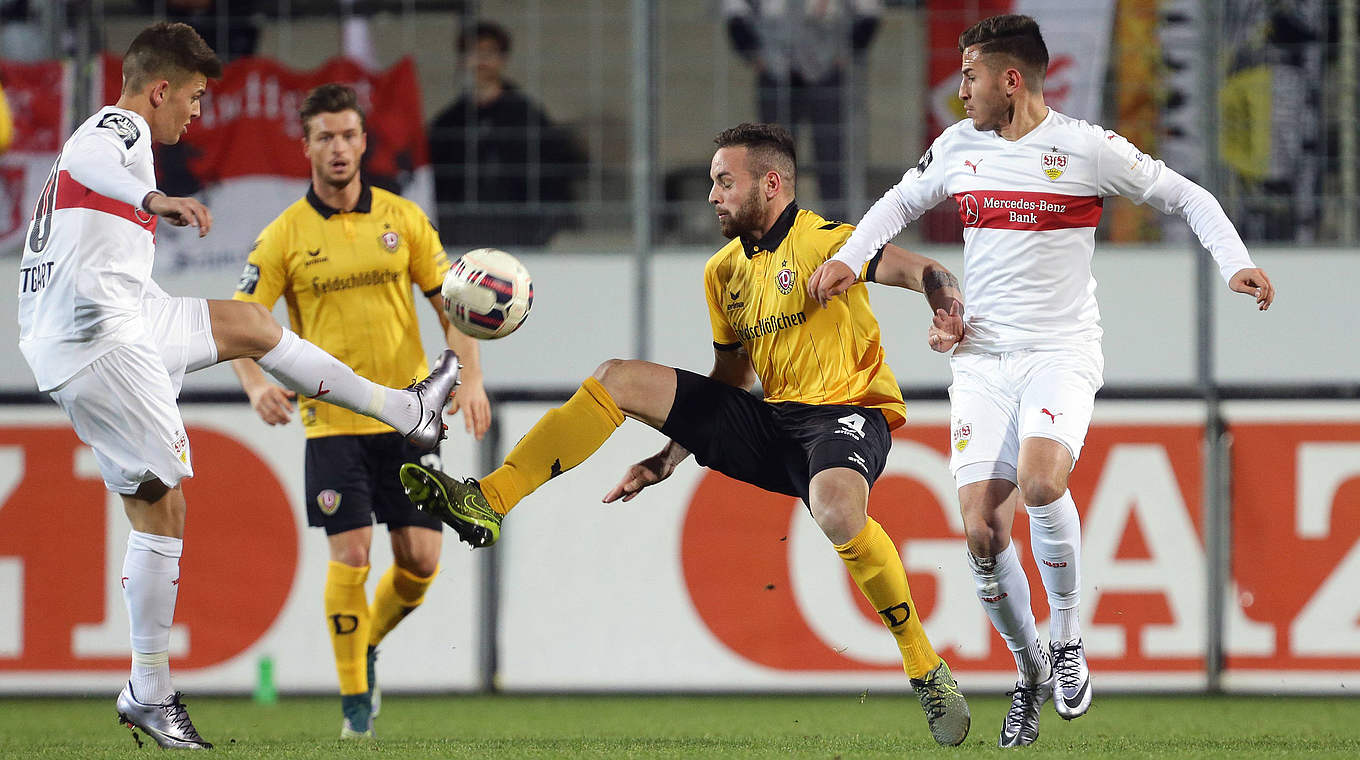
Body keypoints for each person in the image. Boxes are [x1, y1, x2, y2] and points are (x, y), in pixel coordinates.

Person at [402, 122, 973, 747]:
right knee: (616, 377)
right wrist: (672, 454)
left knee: (838, 510)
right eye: (711, 183)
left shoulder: (831, 242)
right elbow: (732, 375)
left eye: (726, 182)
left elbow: (924, 269)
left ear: (772, 184)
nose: (712, 196)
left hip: (845, 414)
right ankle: (490, 500)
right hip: (770, 420)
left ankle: (924, 665)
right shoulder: (723, 272)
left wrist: (946, 310)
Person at [807, 14, 1276, 748]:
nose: (958, 90)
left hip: (1060, 350)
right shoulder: (959, 147)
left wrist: (1234, 261)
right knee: (982, 533)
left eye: (969, 76)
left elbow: (1186, 195)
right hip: (983, 358)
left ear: (1010, 80)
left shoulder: (1086, 148)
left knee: (1041, 484)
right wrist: (849, 257)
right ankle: (1029, 671)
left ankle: (1067, 638)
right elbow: (899, 202)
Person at [15, 22, 460, 749]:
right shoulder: (117, 130)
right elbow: (90, 160)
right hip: (95, 338)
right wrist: (154, 201)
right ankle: (148, 689)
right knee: (163, 507)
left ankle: (406, 408)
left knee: (252, 326)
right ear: (159, 89)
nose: (195, 112)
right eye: (190, 97)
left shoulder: (130, 141)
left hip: (125, 315)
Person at [229, 83, 491, 739]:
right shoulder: (285, 236)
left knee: (421, 563)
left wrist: (471, 378)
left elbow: (454, 306)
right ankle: (354, 707)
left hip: (408, 416)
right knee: (351, 557)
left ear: (364, 141)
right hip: (332, 424)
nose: (339, 148)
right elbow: (240, 322)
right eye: (325, 137)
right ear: (307, 146)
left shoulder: (403, 219)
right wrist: (255, 384)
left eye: (349, 135)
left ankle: (364, 644)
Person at [427, 20, 586, 248]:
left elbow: (553, 177)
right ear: (461, 60)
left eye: (489, 52)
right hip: (462, 240)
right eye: (473, 52)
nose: (481, 61)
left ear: (503, 59)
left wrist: (540, 232)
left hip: (519, 237)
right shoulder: (448, 123)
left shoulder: (528, 117)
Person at [724, 0, 882, 222]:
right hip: (775, 72)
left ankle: (838, 231)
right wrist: (753, 54)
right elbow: (735, 10)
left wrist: (848, 51)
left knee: (832, 154)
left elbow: (869, 11)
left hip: (827, 72)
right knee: (773, 156)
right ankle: (775, 229)